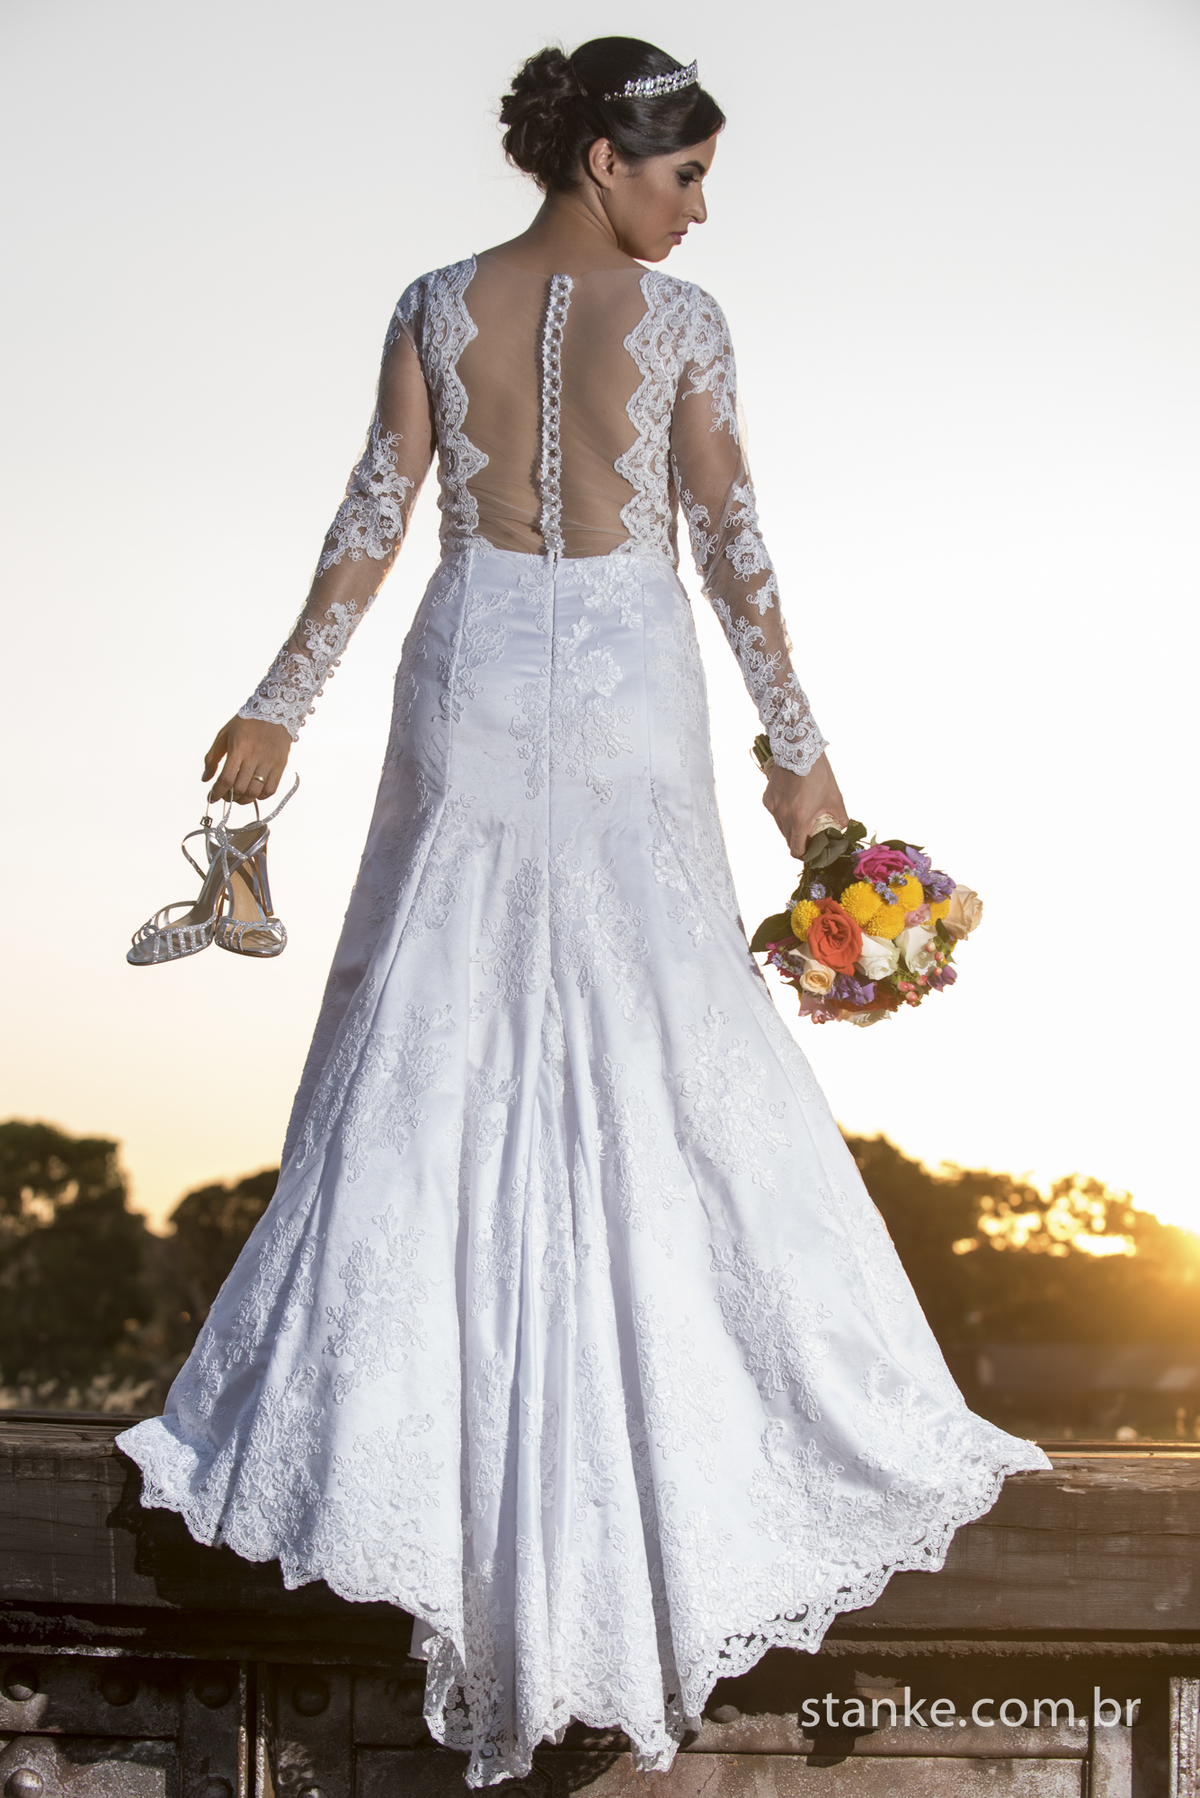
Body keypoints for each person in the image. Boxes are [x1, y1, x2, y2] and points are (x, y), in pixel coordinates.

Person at [118, 38, 1048, 1786]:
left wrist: (279, 700)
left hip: (470, 679)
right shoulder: (688, 330)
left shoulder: (430, 300)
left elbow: (374, 521)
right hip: (624, 689)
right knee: (661, 1038)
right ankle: (657, 1466)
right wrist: (806, 771)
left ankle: (448, 1463)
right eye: (685, 172)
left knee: (437, 1039)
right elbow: (738, 549)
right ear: (607, 160)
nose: (700, 208)